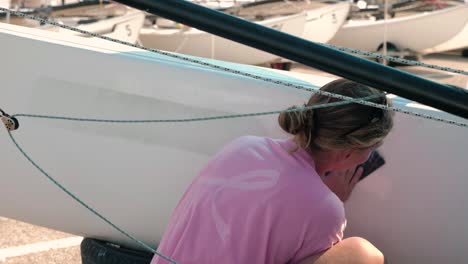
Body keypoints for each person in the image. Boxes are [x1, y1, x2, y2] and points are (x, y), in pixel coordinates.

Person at [151, 78, 394, 264]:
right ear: (348, 153)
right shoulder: (325, 209)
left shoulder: (242, 145)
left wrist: (319, 194)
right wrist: (327, 201)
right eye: (372, 149)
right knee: (362, 254)